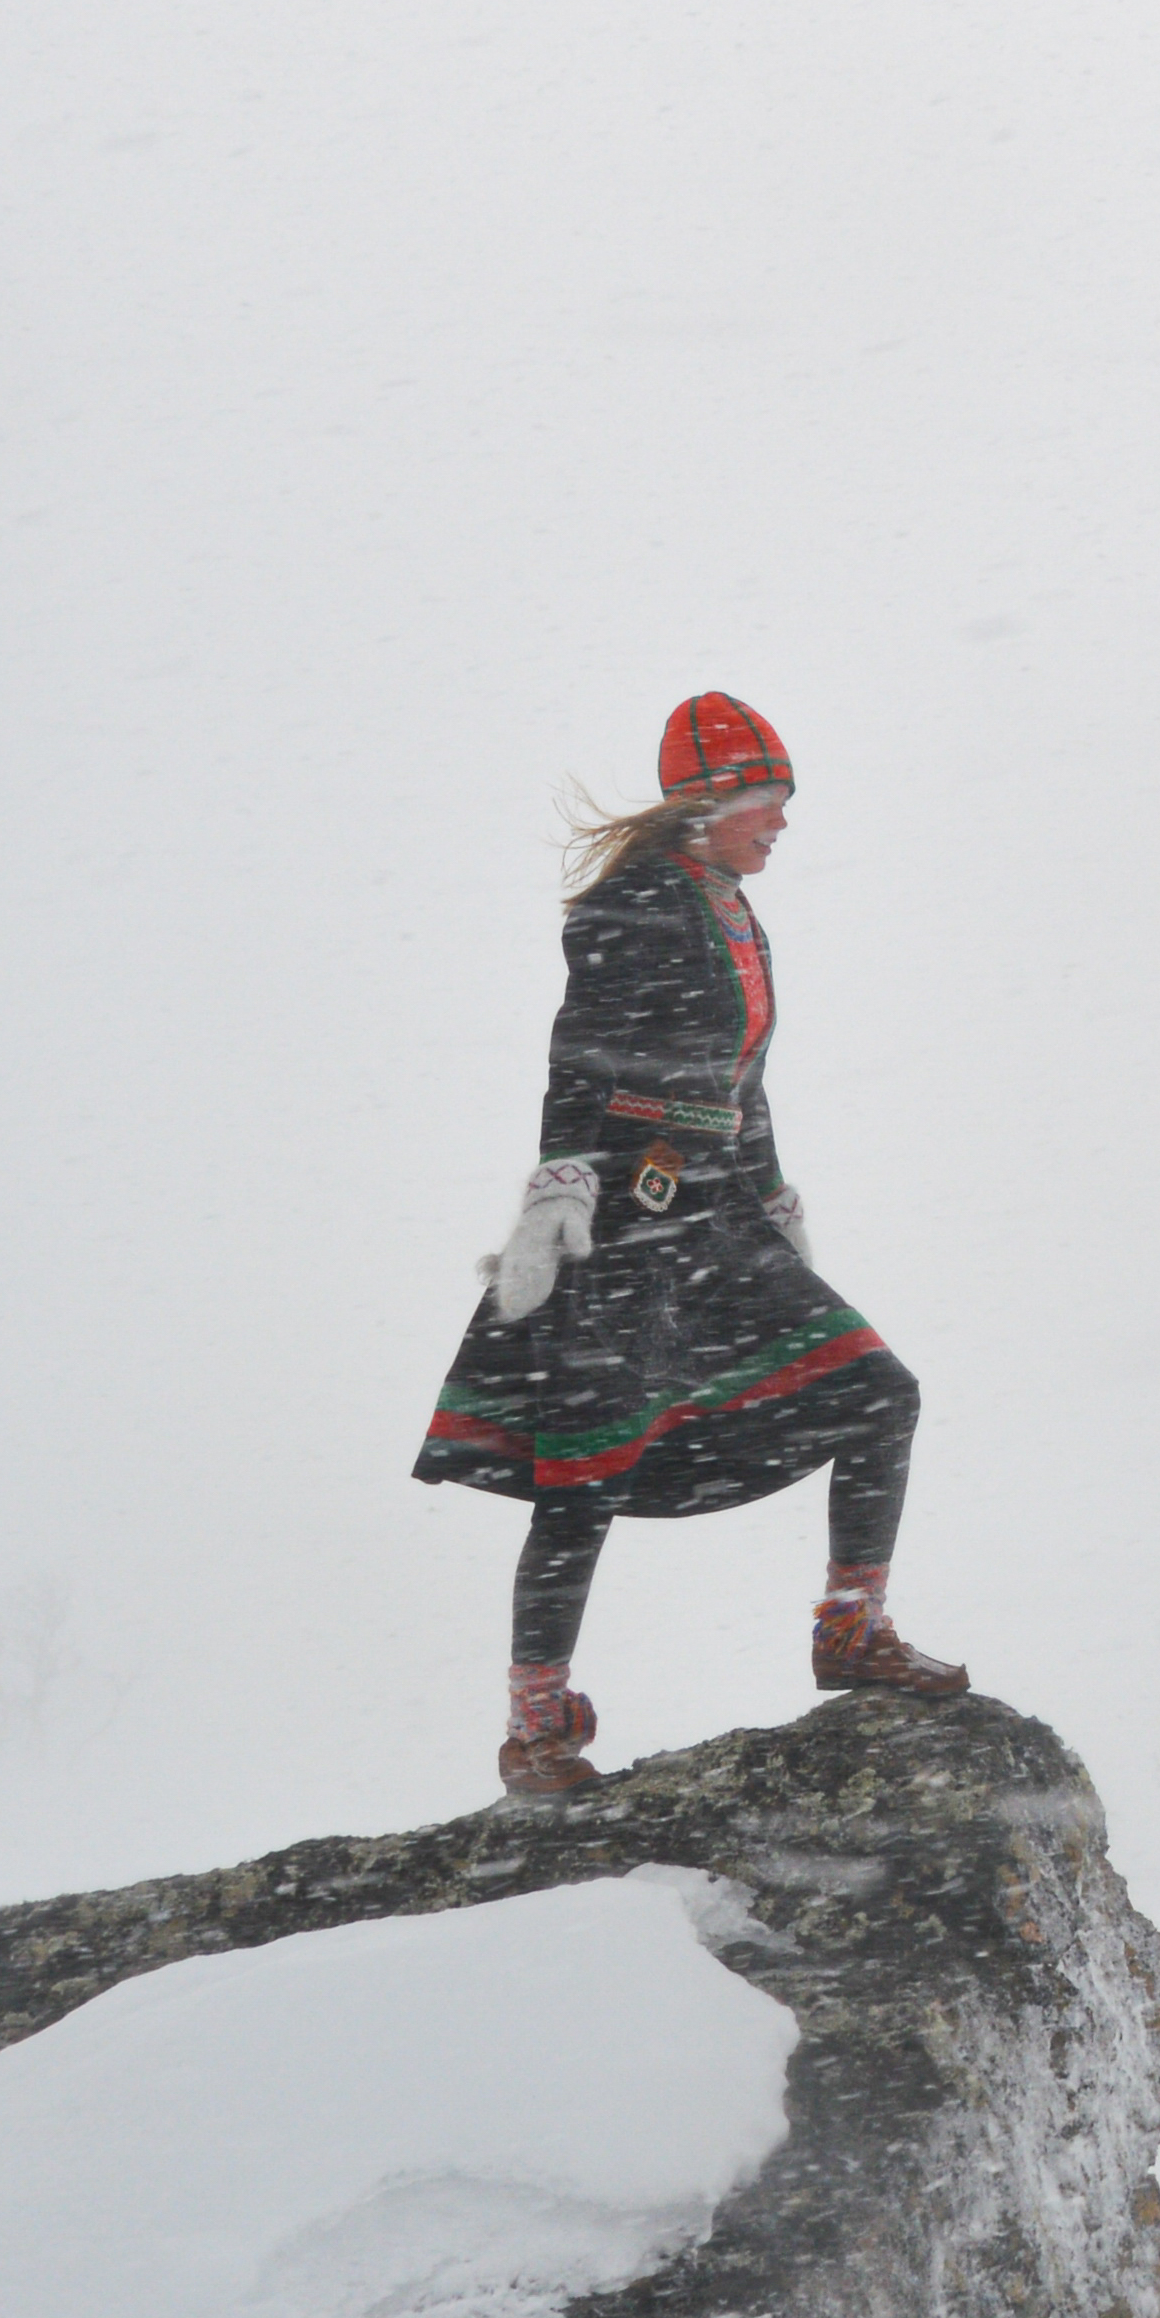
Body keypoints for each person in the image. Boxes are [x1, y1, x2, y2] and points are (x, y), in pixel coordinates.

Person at [415, 691, 967, 1796]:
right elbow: (580, 1053)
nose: (780, 824)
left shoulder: (732, 910)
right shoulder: (631, 909)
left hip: (720, 1215)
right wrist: (557, 1188)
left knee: (877, 1393)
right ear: (704, 809)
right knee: (584, 1477)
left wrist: (773, 1203)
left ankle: (850, 1630)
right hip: (628, 1215)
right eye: (764, 803)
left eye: (782, 804)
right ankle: (536, 1729)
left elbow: (741, 1085)